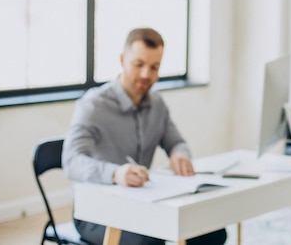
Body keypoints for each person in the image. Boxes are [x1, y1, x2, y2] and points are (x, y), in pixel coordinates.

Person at [62, 27, 227, 245]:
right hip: (97, 212)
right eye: (138, 64)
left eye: (154, 67)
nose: (146, 74)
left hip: (142, 204)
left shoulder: (157, 104)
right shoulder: (93, 105)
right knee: (149, 239)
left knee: (211, 232)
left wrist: (180, 154)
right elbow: (71, 161)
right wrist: (115, 174)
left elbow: (176, 142)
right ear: (122, 60)